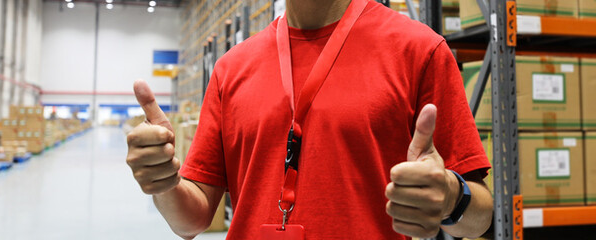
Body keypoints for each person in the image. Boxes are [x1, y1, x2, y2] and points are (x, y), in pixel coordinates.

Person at [126, 0, 493, 238]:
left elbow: (481, 218)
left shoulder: (418, 51)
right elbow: (191, 220)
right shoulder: (231, 69)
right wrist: (164, 184)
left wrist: (449, 198)